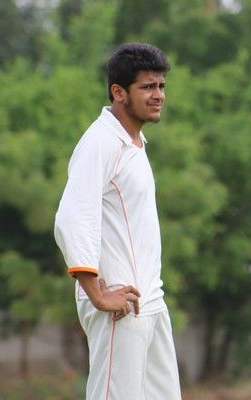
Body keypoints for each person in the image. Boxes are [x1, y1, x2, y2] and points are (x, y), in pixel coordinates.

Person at [54, 43, 182, 400]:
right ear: (119, 92)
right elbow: (71, 216)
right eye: (148, 87)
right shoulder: (102, 142)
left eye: (161, 86)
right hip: (120, 307)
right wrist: (97, 294)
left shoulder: (134, 142)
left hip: (150, 301)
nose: (159, 95)